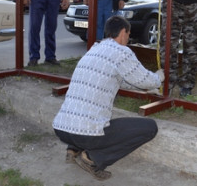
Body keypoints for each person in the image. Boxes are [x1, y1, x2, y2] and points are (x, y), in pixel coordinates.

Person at [53, 15, 164, 181]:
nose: (128, 38)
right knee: (149, 128)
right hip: (85, 134)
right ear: (123, 32)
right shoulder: (121, 51)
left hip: (62, 128)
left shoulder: (94, 49)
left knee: (84, 110)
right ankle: (92, 159)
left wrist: (147, 89)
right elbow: (145, 79)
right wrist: (158, 78)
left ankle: (72, 151)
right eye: (128, 34)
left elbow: (118, 79)